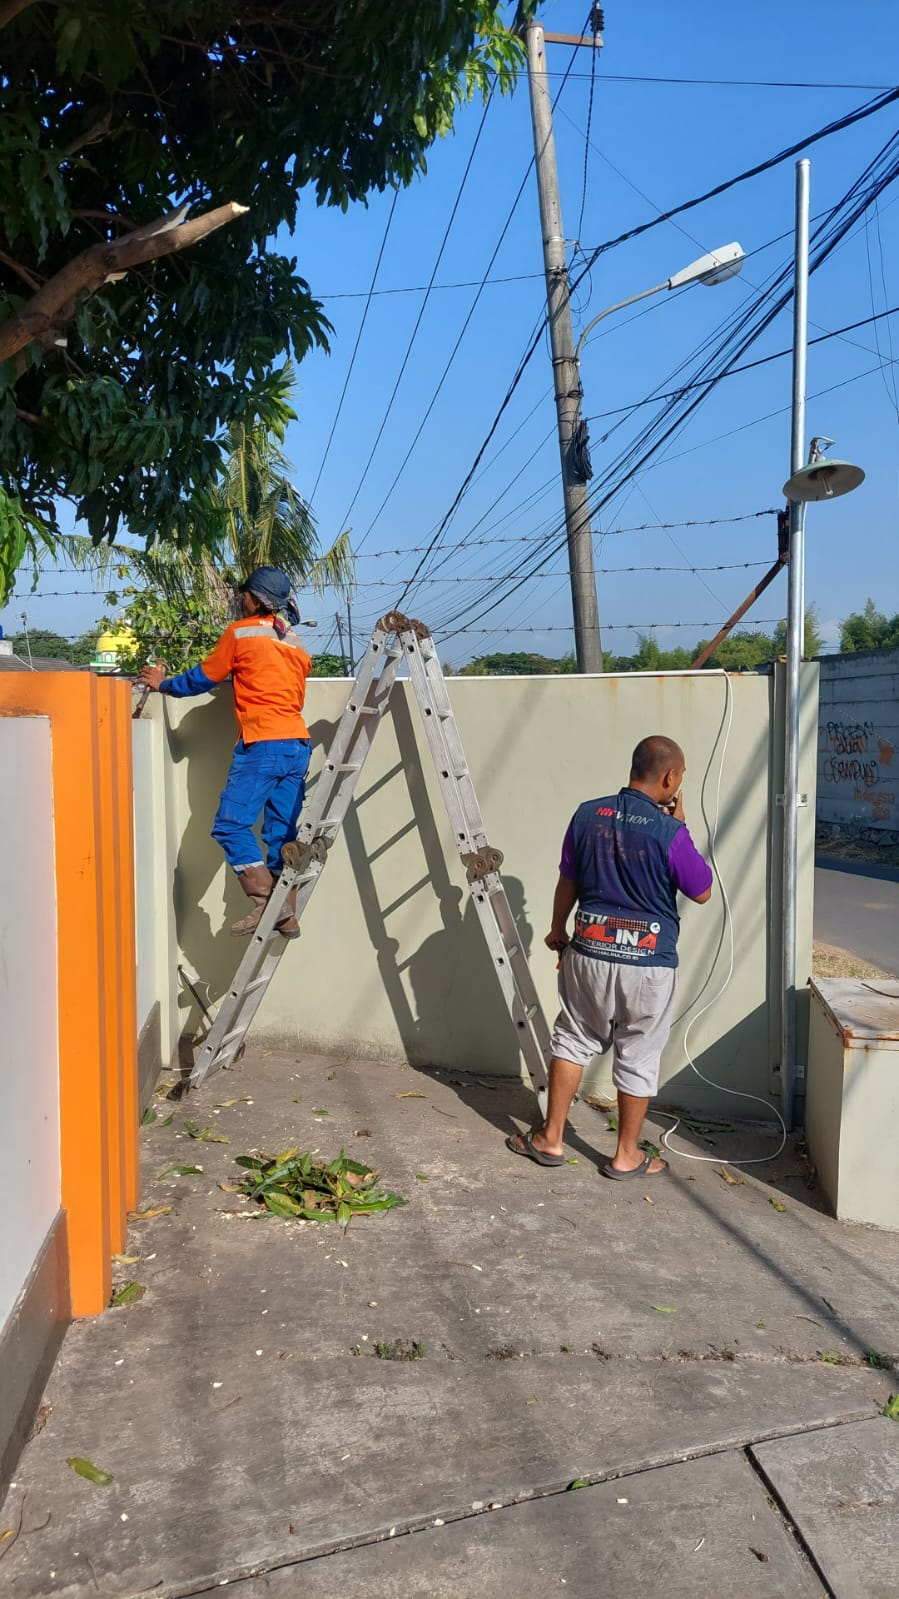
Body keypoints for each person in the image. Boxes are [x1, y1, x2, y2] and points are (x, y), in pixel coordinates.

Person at [508, 734, 713, 1179]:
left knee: (573, 1039)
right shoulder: (670, 832)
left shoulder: (588, 814)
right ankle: (625, 1156)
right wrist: (682, 826)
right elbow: (702, 891)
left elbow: (568, 880)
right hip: (647, 963)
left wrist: (557, 928)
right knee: (638, 1054)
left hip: (589, 952)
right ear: (670, 778)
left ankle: (550, 1138)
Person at [139, 566, 313, 938]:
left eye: (244, 594)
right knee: (281, 835)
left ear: (256, 598)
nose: (240, 599)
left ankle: (268, 902)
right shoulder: (296, 644)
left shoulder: (241, 633)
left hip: (263, 743)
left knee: (230, 825)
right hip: (297, 744)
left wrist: (163, 684)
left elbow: (204, 676)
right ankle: (289, 914)